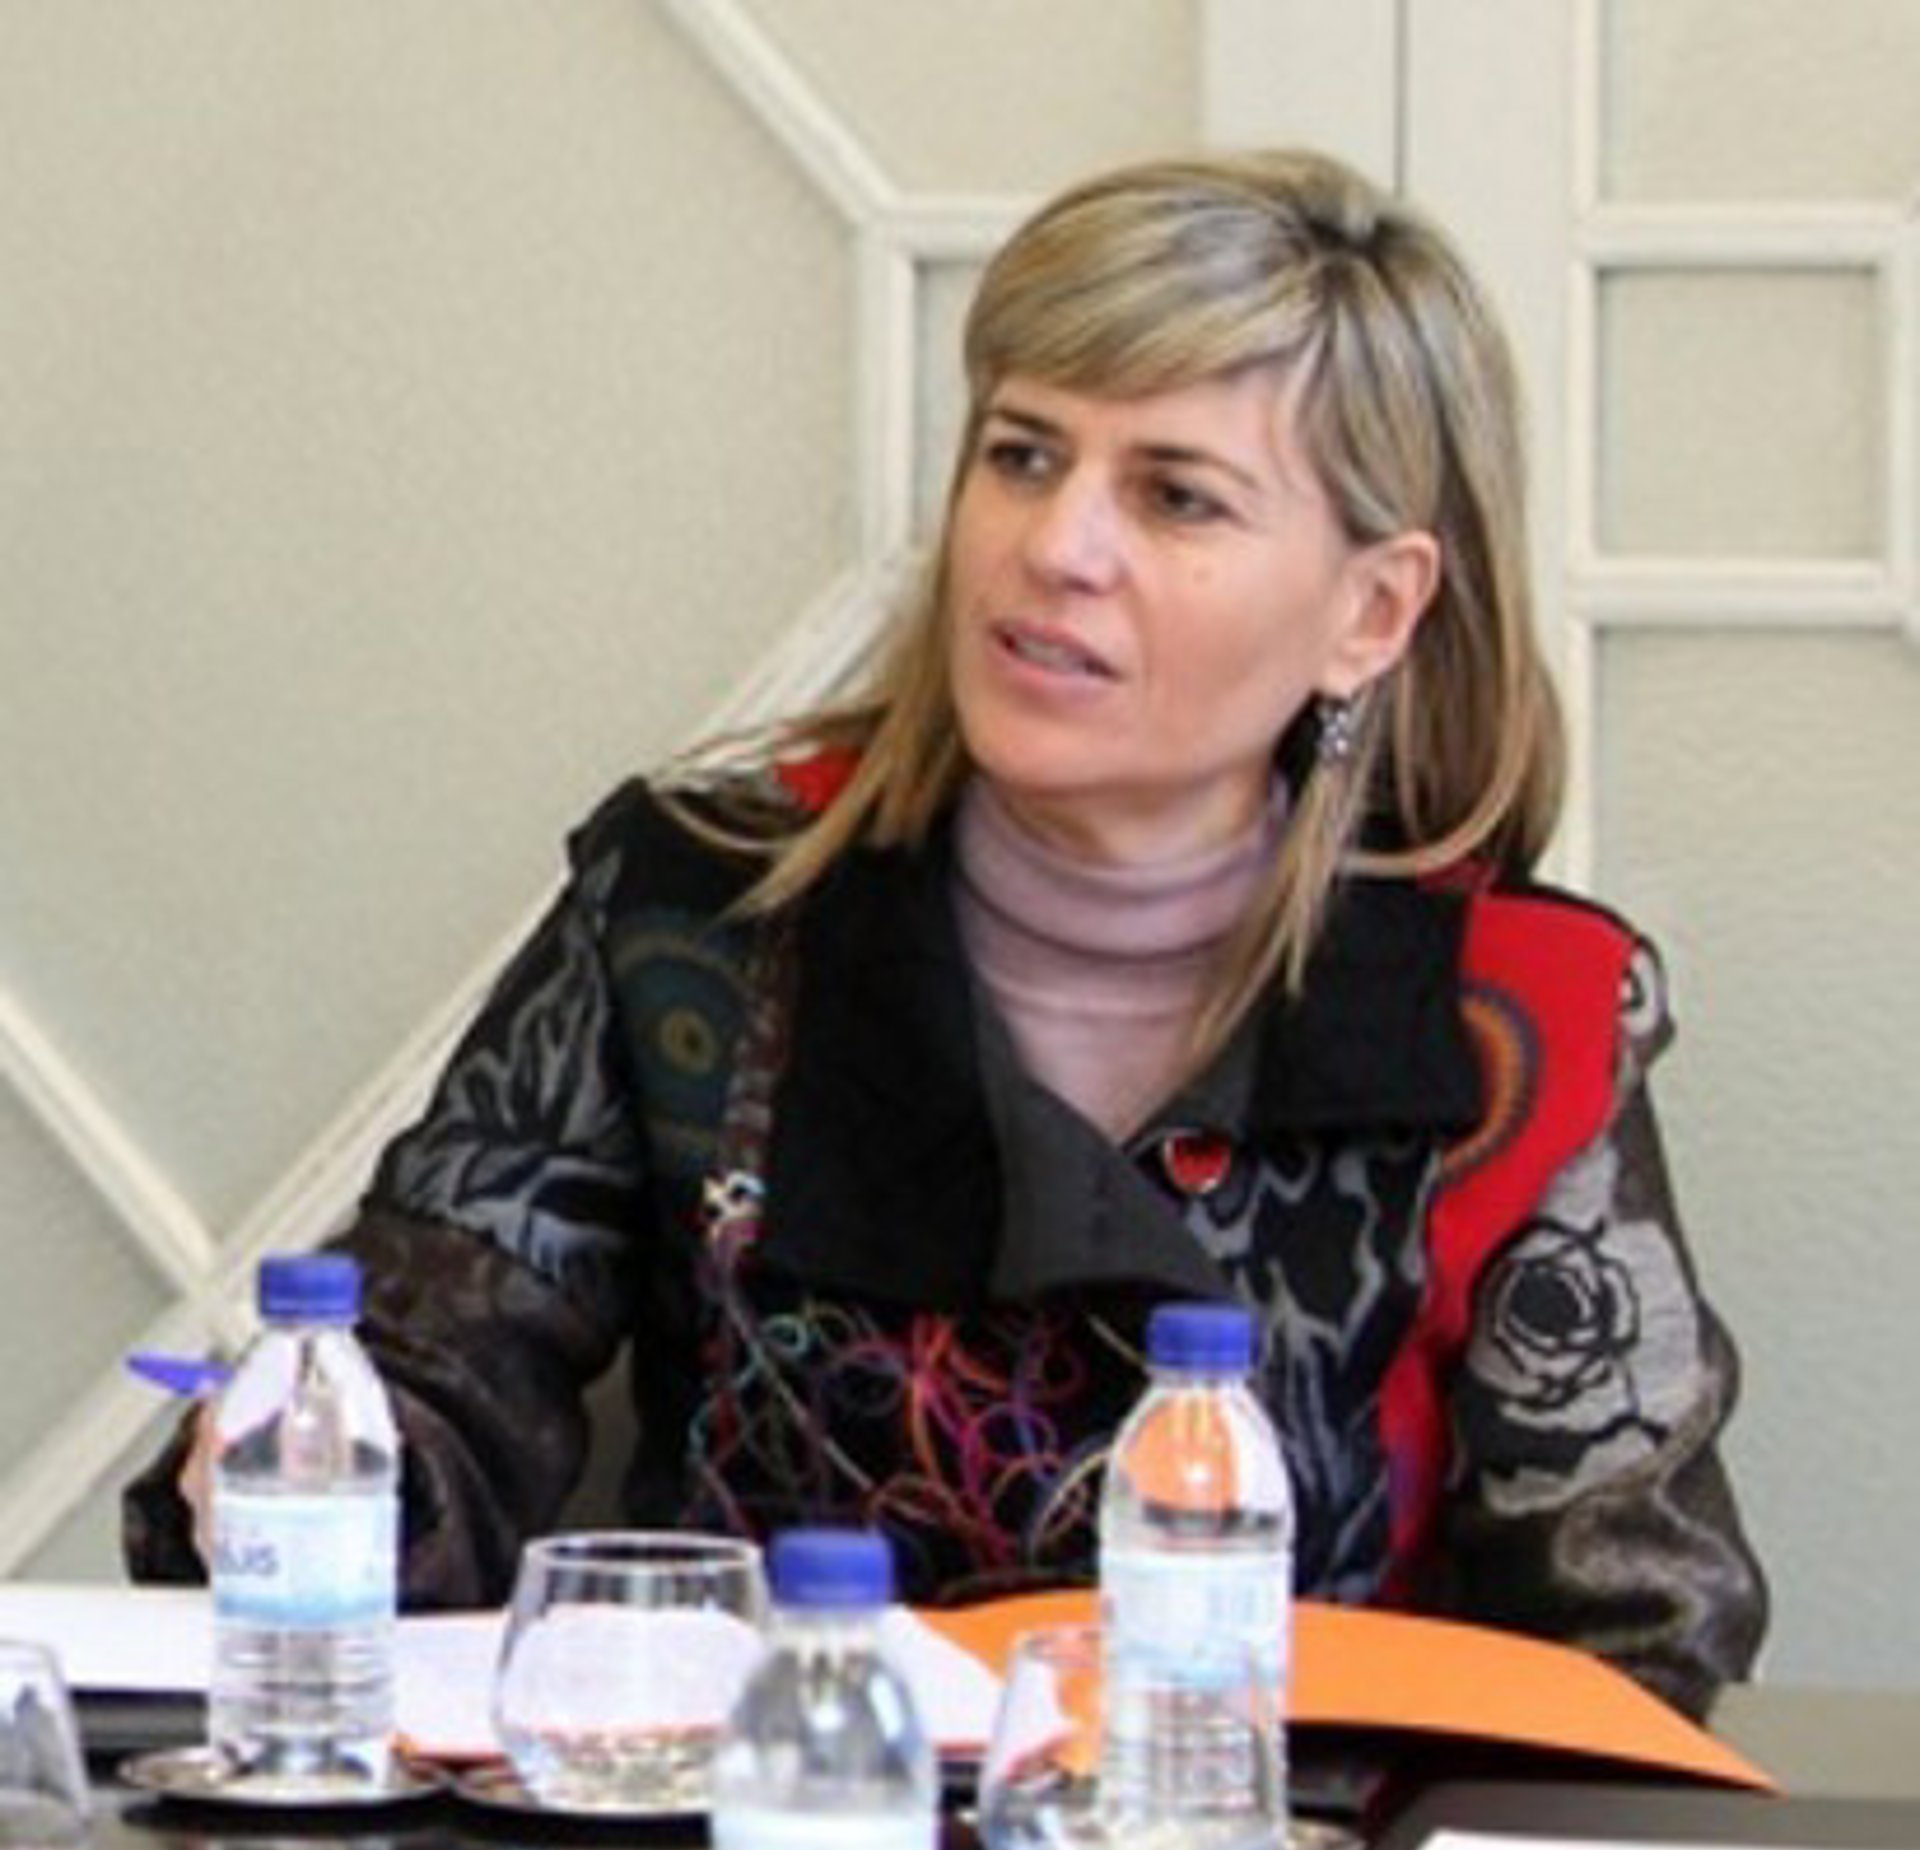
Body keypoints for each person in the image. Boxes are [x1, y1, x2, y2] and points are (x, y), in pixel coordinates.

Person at [126, 149, 1767, 1715]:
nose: (1055, 547)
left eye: (1176, 497)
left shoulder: (1513, 1020)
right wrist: (312, 1463)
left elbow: (1636, 1636)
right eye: (1024, 454)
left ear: (1371, 611)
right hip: (757, 1842)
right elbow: (432, 1388)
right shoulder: (702, 906)